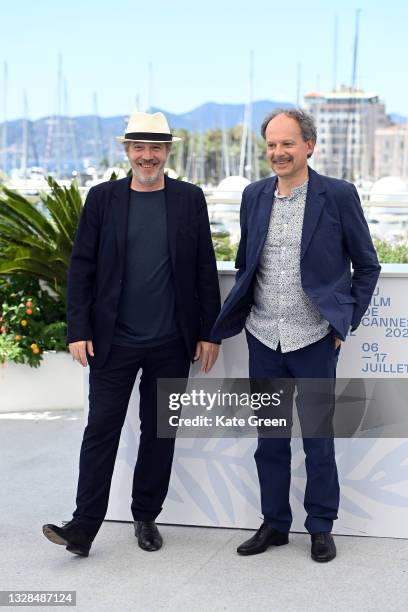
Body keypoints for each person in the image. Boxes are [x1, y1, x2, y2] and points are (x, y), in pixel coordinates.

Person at [43, 111, 220, 557]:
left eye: (155, 147)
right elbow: (81, 267)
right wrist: (78, 328)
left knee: (158, 433)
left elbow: (203, 269)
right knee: (101, 430)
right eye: (139, 147)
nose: (147, 155)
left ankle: (145, 518)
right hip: (112, 341)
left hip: (171, 342)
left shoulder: (189, 199)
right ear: (127, 151)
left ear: (167, 152)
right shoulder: (102, 199)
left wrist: (210, 333)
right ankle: (83, 526)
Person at [211, 109, 380, 562]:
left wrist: (345, 321)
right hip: (263, 337)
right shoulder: (253, 195)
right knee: (270, 440)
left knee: (318, 441)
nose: (278, 153)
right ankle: (274, 524)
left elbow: (367, 265)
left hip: (314, 340)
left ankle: (321, 527)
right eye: (271, 145)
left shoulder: (338, 195)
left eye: (287, 144)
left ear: (309, 145)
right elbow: (247, 262)